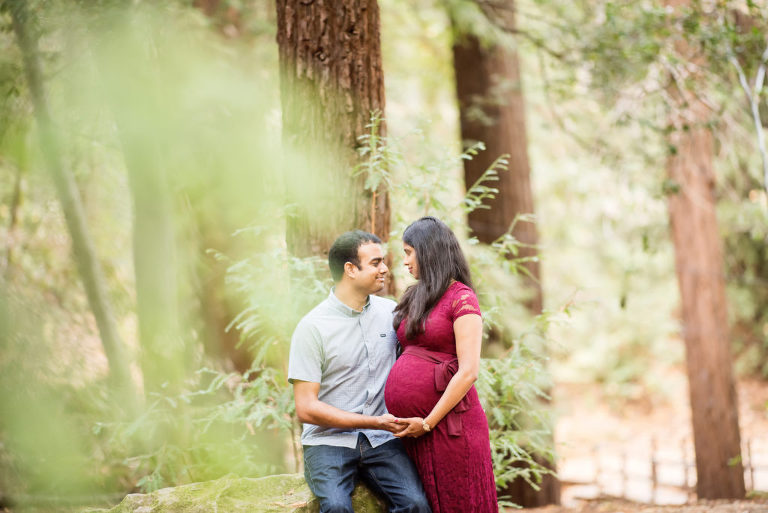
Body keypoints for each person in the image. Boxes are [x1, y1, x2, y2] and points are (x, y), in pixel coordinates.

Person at [288, 230, 432, 513]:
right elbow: (305, 408)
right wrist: (373, 422)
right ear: (350, 269)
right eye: (376, 262)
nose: (385, 269)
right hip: (328, 441)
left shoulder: (392, 314)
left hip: (383, 442)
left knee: (415, 504)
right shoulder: (312, 327)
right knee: (337, 508)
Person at [384, 217, 498, 513]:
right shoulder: (414, 296)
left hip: (448, 427)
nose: (405, 262)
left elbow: (469, 370)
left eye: (409, 252)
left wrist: (427, 422)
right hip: (413, 431)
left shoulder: (462, 298)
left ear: (428, 250)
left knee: (454, 501)